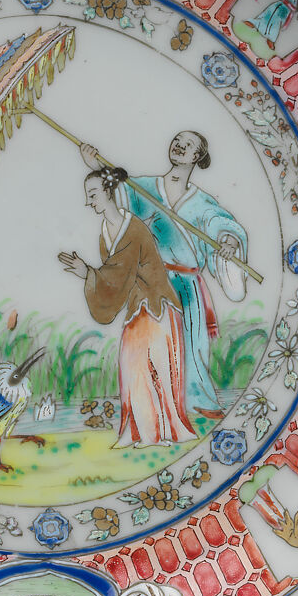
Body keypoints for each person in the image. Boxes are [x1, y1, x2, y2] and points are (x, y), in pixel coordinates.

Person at [79, 132, 247, 423]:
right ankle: (156, 405)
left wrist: (229, 241)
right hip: (152, 281)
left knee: (193, 344)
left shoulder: (202, 201)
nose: (179, 146)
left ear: (197, 156)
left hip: (187, 284)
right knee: (153, 343)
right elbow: (117, 199)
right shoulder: (143, 187)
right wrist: (96, 166)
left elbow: (219, 222)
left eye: (188, 145)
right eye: (177, 140)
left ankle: (198, 399)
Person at [58, 167, 195, 447]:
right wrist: (91, 274)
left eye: (93, 194)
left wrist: (88, 273)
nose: (89, 202)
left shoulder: (133, 229)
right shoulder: (105, 233)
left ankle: (161, 432)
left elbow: (118, 273)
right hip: (137, 307)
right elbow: (115, 276)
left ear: (108, 192)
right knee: (133, 369)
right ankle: (144, 432)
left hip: (156, 305)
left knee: (154, 369)